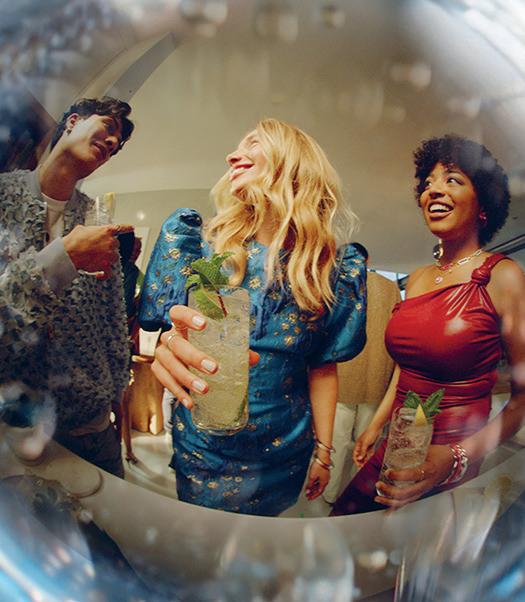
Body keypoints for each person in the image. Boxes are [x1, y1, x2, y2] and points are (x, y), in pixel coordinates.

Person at [139, 118, 367, 516]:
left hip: (285, 451)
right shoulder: (201, 248)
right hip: (206, 445)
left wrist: (324, 453)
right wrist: (164, 343)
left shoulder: (332, 270)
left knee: (260, 544)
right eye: (237, 146)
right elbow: (160, 330)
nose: (232, 155)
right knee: (201, 539)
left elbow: (323, 367)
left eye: (253, 143)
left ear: (293, 162)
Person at [331, 134, 525, 515]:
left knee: (415, 548)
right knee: (347, 524)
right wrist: (376, 426)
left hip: (453, 457)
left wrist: (454, 458)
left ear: (483, 203)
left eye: (452, 179)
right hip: (400, 443)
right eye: (428, 182)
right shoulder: (419, 279)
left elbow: (522, 398)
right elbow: (407, 367)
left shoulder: (502, 276)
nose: (433, 190)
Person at [0, 96, 135, 477]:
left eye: (117, 146)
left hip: (92, 429)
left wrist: (115, 391)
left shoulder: (95, 219)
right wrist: (62, 259)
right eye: (109, 127)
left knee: (109, 516)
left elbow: (113, 317)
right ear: (73, 121)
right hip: (16, 427)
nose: (112, 143)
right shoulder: (4, 199)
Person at [323, 244, 401, 504]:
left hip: (342, 375)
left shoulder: (334, 283)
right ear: (368, 260)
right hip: (378, 375)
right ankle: (358, 494)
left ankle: (330, 494)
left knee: (336, 440)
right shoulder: (390, 288)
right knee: (367, 443)